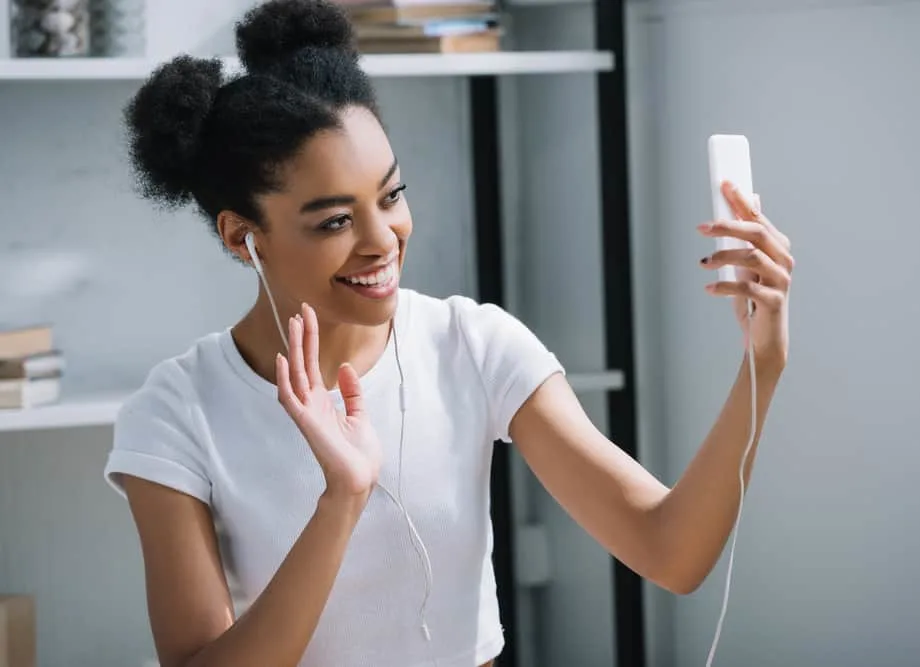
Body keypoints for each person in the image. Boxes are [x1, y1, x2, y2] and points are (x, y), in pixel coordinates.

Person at [102, 1, 794, 666]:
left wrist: (762, 364)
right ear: (241, 236)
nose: (383, 240)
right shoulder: (176, 413)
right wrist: (342, 499)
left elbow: (672, 551)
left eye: (392, 195)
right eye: (334, 220)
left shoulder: (474, 344)